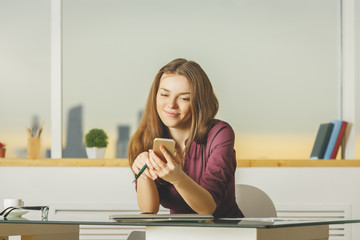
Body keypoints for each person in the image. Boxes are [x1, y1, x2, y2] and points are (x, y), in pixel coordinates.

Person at [128, 58, 243, 218]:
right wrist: (143, 174)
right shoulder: (144, 140)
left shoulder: (219, 133)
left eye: (184, 98)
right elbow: (149, 210)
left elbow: (207, 209)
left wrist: (178, 178)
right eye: (164, 94)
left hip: (225, 232)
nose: (171, 104)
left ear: (199, 101)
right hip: (178, 233)